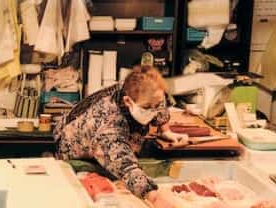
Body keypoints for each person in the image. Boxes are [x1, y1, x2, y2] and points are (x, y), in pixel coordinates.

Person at [54, 65, 185, 197]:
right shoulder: (109, 122)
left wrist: (165, 130)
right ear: (128, 101)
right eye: (146, 107)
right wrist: (152, 196)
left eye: (155, 105)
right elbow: (125, 166)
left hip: (109, 133)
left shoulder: (144, 90)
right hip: (72, 142)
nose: (153, 110)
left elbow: (158, 105)